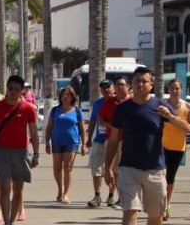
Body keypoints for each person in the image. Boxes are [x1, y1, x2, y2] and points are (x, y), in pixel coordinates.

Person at [105, 67, 190, 225]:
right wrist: (108, 167)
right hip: (128, 166)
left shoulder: (161, 106)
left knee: (156, 213)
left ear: (151, 84)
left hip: (155, 168)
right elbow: (114, 139)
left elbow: (186, 128)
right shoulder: (123, 108)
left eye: (144, 81)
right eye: (137, 81)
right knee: (129, 210)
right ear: (132, 84)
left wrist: (169, 115)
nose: (140, 84)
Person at [0, 75, 39, 225]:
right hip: (1, 152)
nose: (13, 92)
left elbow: (34, 134)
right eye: (11, 89)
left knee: (18, 189)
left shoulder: (28, 108)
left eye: (17, 89)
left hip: (21, 153)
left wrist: (36, 154)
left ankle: (11, 222)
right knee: (4, 186)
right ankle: (7, 222)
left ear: (22, 91)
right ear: (6, 89)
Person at [161, 79, 190, 221]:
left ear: (181, 90)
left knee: (170, 179)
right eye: (172, 88)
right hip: (161, 146)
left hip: (177, 147)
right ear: (168, 90)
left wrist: (184, 126)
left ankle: (167, 204)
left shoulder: (188, 107)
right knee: (160, 176)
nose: (174, 91)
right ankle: (161, 205)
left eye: (177, 88)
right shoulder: (162, 105)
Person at [45, 86, 86, 204]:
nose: (65, 97)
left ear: (72, 97)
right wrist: (47, 142)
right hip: (57, 141)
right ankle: (60, 189)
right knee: (56, 167)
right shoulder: (55, 110)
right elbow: (49, 128)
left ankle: (66, 194)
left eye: (68, 94)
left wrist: (84, 144)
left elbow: (82, 129)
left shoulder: (77, 111)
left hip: (72, 142)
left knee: (67, 167)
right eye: (63, 94)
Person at [97, 75, 133, 208]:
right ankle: (120, 198)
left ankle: (124, 198)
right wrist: (111, 125)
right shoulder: (110, 102)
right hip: (112, 141)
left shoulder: (133, 101)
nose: (119, 87)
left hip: (128, 141)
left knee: (124, 171)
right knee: (113, 171)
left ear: (128, 86)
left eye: (122, 84)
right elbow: (100, 119)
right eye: (117, 84)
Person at [86, 80, 115, 208]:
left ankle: (111, 196)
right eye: (103, 88)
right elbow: (92, 121)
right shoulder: (98, 103)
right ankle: (97, 195)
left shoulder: (118, 102)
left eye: (108, 87)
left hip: (113, 140)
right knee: (96, 169)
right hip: (99, 140)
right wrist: (88, 139)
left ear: (113, 88)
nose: (106, 90)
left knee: (114, 170)